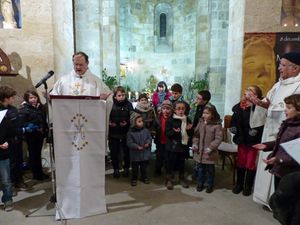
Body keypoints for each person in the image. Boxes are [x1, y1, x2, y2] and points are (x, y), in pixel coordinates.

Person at [252, 52, 300, 207]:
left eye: (283, 65)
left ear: (295, 68)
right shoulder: (278, 84)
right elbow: (269, 102)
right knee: (268, 163)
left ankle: (281, 205)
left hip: (290, 133)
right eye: (280, 64)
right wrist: (258, 102)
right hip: (271, 130)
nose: (279, 68)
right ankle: (264, 199)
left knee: (282, 169)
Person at [253, 94, 300, 190]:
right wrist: (266, 146)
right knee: (278, 195)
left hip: (291, 172)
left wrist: (278, 159)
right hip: (280, 169)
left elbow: (297, 155)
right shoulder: (288, 123)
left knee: (286, 200)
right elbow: (284, 143)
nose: (285, 110)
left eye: (289, 108)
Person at [230, 85, 265, 196]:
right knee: (241, 161)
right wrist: (233, 127)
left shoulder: (259, 107)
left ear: (256, 95)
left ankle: (248, 186)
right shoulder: (240, 106)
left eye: (251, 91)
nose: (247, 93)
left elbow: (263, 122)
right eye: (247, 90)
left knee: (250, 163)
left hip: (253, 140)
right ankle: (239, 184)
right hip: (242, 138)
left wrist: (257, 131)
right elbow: (234, 120)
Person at [0, 86, 31, 194]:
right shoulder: (1, 111)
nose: (13, 99)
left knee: (18, 161)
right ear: (5, 98)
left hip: (17, 140)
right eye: (12, 97)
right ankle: (10, 185)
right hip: (6, 143)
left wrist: (23, 129)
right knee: (9, 165)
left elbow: (17, 123)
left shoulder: (12, 108)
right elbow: (7, 129)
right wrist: (22, 130)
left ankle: (18, 181)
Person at [192, 105, 223, 193]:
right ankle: (200, 183)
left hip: (210, 153)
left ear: (212, 115)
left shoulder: (217, 125)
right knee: (200, 169)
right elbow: (196, 135)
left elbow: (218, 138)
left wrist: (211, 147)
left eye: (207, 113)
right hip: (200, 151)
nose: (204, 115)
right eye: (203, 113)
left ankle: (210, 185)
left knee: (210, 170)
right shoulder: (201, 122)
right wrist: (195, 144)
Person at [19, 90, 48, 181]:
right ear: (27, 99)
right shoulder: (24, 109)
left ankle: (39, 172)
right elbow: (22, 123)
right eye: (31, 98)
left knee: (38, 154)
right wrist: (31, 126)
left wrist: (45, 129)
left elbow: (43, 119)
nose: (33, 99)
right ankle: (37, 175)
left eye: (35, 97)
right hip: (31, 136)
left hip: (40, 135)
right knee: (33, 155)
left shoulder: (40, 107)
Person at [165, 101, 193, 190]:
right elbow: (167, 133)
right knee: (171, 164)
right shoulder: (170, 120)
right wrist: (174, 132)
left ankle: (181, 178)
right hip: (173, 147)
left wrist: (189, 130)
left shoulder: (187, 119)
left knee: (181, 163)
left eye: (183, 109)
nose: (181, 111)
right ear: (174, 110)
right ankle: (169, 180)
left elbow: (191, 133)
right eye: (178, 109)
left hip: (183, 146)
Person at [109, 86, 133, 178]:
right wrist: (109, 123)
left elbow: (132, 116)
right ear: (115, 96)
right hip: (113, 133)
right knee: (114, 152)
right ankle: (116, 169)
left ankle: (126, 168)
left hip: (125, 133)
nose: (122, 97)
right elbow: (107, 115)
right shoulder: (110, 104)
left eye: (123, 95)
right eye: (119, 95)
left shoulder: (128, 104)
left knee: (126, 152)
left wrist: (127, 122)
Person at [127, 112, 152, 186]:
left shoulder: (146, 130)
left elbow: (149, 138)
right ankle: (134, 178)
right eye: (139, 121)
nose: (141, 123)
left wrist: (148, 143)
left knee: (144, 168)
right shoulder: (130, 132)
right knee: (135, 169)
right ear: (134, 123)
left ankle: (144, 177)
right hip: (135, 155)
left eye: (142, 121)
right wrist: (136, 146)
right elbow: (129, 142)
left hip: (145, 154)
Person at [153, 100, 173, 176]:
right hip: (160, 141)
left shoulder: (173, 119)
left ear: (171, 110)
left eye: (168, 109)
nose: (166, 111)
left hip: (169, 142)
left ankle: (168, 172)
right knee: (159, 156)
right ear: (161, 109)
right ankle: (158, 170)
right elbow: (154, 127)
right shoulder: (158, 118)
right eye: (164, 109)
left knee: (168, 158)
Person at [0, 110, 14, 211]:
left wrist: (7, 142)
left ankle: (7, 200)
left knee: (6, 180)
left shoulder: (4, 120)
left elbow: (11, 135)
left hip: (3, 155)